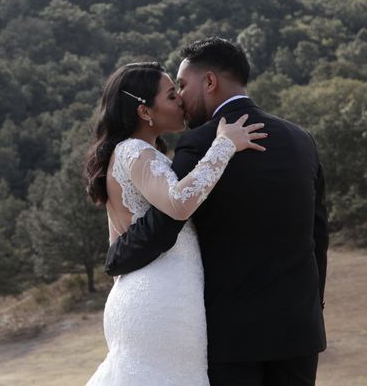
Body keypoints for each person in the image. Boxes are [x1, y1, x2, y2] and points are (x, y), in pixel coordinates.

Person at [105, 37, 329, 386]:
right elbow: (318, 235)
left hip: (232, 334)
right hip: (299, 328)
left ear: (209, 82)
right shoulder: (301, 140)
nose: (179, 97)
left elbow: (163, 226)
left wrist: (116, 256)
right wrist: (314, 308)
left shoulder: (199, 143)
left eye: (181, 85)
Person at [83, 60, 267, 385]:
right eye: (171, 95)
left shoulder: (130, 153)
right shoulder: (135, 151)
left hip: (147, 294)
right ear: (144, 111)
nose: (181, 100)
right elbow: (179, 204)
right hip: (160, 299)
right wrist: (224, 145)